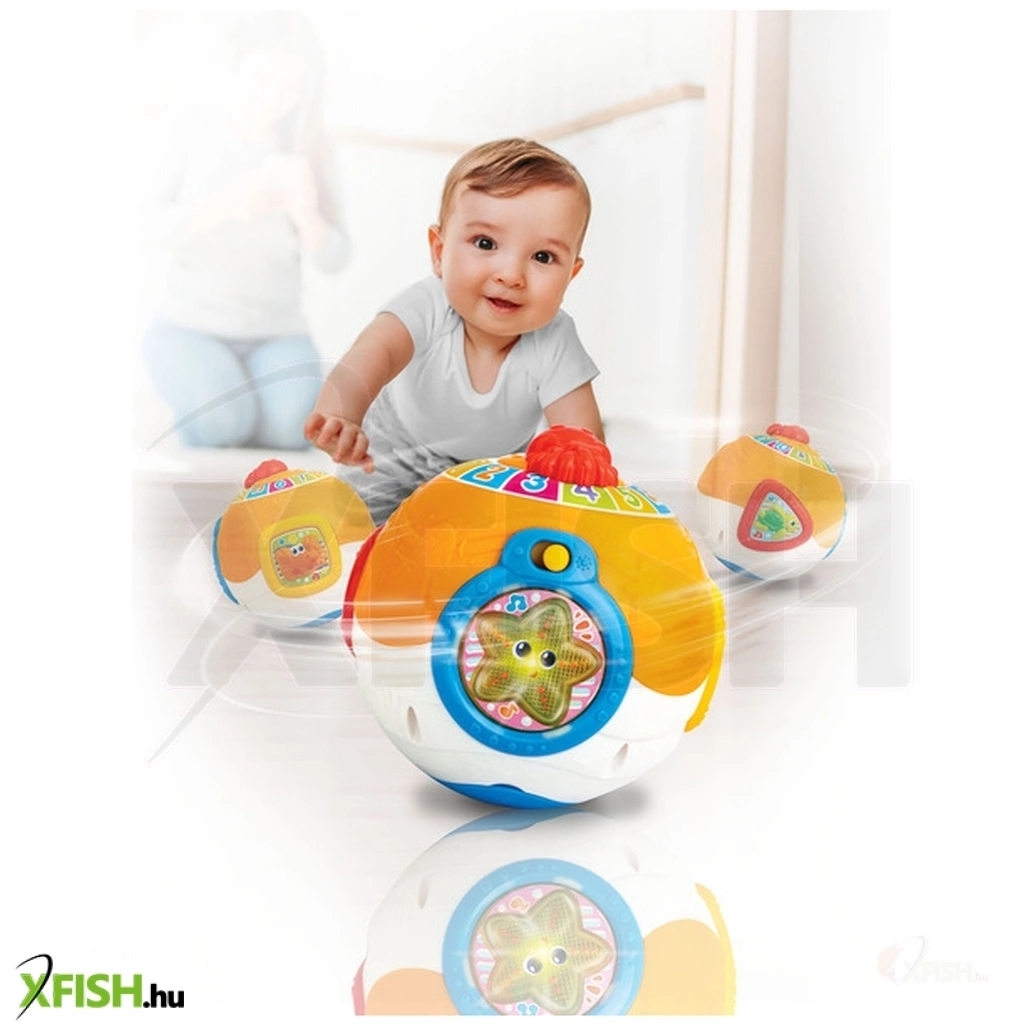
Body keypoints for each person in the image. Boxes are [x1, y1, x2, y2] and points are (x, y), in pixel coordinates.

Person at [304, 138, 603, 523]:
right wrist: (339, 416)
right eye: (485, 243)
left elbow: (582, 441)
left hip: (493, 473)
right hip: (394, 454)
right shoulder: (427, 305)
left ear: (571, 275)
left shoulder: (555, 338)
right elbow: (373, 356)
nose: (511, 275)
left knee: (500, 542)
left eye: (543, 257)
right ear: (439, 252)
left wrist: (583, 480)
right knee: (355, 527)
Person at [139, 13, 348, 449]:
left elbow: (336, 258)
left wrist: (307, 217)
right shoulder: (189, 133)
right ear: (233, 68)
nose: (274, 99)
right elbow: (143, 227)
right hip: (188, 329)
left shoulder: (307, 149)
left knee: (293, 432)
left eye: (290, 88)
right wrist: (229, 204)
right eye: (261, 79)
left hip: (279, 333)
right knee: (225, 426)